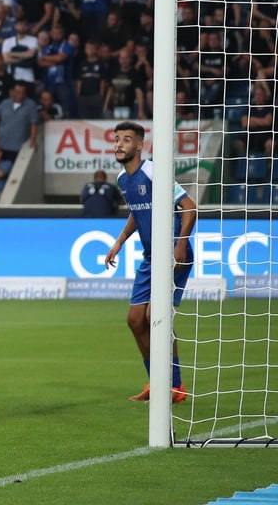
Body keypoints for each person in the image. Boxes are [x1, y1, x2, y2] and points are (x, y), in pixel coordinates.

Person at [104, 121, 194, 405]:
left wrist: (180, 243)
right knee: (134, 320)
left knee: (155, 316)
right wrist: (119, 242)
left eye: (126, 140)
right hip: (150, 256)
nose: (119, 144)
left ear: (140, 145)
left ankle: (175, 385)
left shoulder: (153, 171)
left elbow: (189, 206)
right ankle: (157, 382)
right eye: (117, 139)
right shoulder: (122, 179)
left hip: (172, 252)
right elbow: (136, 211)